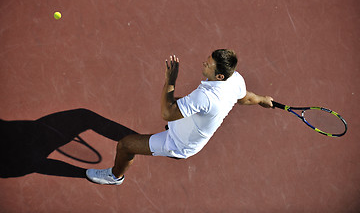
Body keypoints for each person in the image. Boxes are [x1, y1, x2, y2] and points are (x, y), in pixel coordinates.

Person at [86, 49, 273, 185]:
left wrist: (170, 80)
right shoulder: (235, 79)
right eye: (207, 59)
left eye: (208, 65)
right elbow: (246, 97)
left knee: (125, 145)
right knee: (176, 102)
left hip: (179, 143)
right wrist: (262, 99)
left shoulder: (206, 97)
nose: (204, 64)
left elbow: (166, 113)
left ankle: (115, 176)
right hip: (185, 124)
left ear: (220, 75)